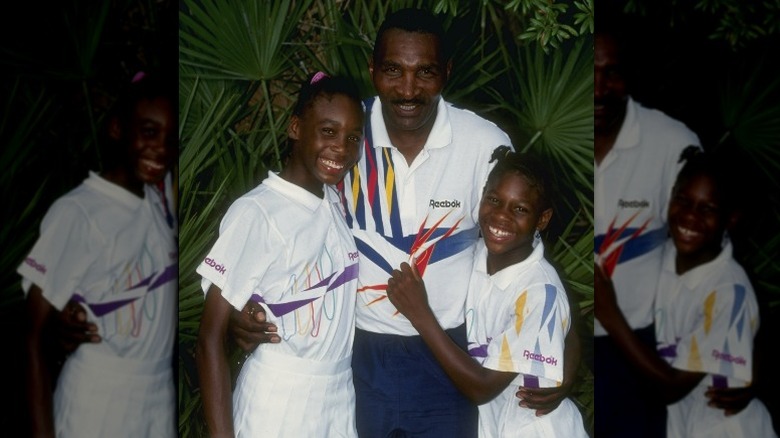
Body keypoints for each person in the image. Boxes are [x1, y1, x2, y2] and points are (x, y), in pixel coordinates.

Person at [225, 8, 582, 437]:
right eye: (393, 70)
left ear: (446, 72)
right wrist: (243, 309)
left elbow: (528, 260)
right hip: (357, 355)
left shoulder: (486, 144)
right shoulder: (345, 135)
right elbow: (293, 223)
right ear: (372, 69)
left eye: (425, 72)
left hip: (449, 353)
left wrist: (568, 352)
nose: (408, 89)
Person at [195, 72, 365, 437]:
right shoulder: (258, 212)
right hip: (280, 400)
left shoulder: (332, 199)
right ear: (295, 128)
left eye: (353, 137)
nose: (342, 148)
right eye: (328, 131)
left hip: (337, 396)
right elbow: (209, 337)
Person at [385, 147, 588, 437]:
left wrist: (420, 315)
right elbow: (568, 324)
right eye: (494, 200)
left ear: (542, 220)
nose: (501, 216)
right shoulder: (475, 254)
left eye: (520, 209)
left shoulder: (539, 290)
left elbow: (481, 388)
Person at [20, 72, 177, 437]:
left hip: (158, 396)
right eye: (149, 132)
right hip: (100, 395)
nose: (161, 150)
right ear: (118, 129)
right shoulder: (79, 211)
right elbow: (32, 333)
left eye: (171, 140)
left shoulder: (159, 194)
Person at [595, 148, 777, 438]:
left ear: (731, 218)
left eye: (707, 209)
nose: (691, 216)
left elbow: (671, 387)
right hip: (684, 425)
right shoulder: (663, 255)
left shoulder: (729, 290)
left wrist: (610, 314)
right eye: (683, 200)